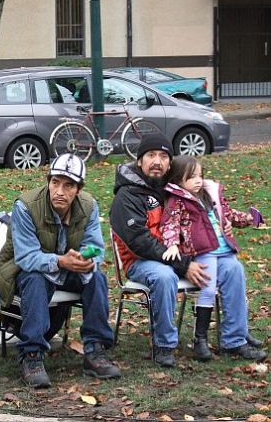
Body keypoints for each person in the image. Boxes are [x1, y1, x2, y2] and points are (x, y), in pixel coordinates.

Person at [109, 134, 266, 368]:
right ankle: (164, 345)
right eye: (151, 155)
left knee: (232, 268)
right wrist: (183, 265)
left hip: (186, 255)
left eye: (163, 156)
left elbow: (201, 218)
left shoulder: (176, 188)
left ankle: (234, 339)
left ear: (170, 163)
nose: (157, 161)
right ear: (139, 161)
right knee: (164, 276)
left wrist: (222, 224)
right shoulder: (127, 195)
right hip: (142, 260)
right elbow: (140, 242)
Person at [0, 153, 121, 389]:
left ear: (79, 189)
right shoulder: (25, 206)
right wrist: (61, 261)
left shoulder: (89, 206)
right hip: (23, 270)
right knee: (34, 278)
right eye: (55, 182)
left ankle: (95, 350)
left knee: (97, 277)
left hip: (66, 267)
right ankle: (32, 354)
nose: (60, 191)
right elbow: (26, 257)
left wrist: (87, 259)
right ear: (48, 182)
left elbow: (96, 245)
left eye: (68, 185)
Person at [160, 155, 266, 361]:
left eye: (200, 175)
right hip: (203, 252)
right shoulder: (177, 200)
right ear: (178, 179)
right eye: (191, 177)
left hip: (224, 250)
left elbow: (228, 215)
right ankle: (200, 338)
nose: (198, 180)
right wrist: (172, 243)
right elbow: (170, 224)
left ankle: (235, 339)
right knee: (207, 289)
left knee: (237, 274)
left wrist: (249, 218)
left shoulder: (210, 195)